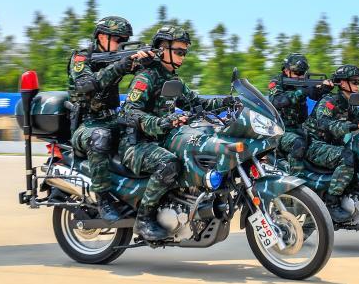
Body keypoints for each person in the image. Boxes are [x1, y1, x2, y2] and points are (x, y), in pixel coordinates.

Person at [120, 25, 235, 241]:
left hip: (161, 141)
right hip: (136, 144)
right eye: (179, 51)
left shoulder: (173, 81)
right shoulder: (146, 78)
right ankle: (144, 219)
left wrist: (228, 102)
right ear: (163, 49)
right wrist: (163, 122)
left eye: (185, 52)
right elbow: (130, 113)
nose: (183, 56)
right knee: (168, 163)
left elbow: (197, 103)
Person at [68, 15, 153, 222]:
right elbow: (86, 85)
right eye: (117, 40)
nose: (121, 44)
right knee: (100, 137)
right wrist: (120, 66)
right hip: (87, 124)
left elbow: (141, 72)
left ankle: (143, 194)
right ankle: (103, 198)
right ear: (101, 37)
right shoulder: (81, 58)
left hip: (113, 118)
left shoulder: (117, 57)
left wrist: (148, 62)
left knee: (148, 128)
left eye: (124, 41)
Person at [304, 64, 359, 222]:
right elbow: (324, 124)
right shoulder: (330, 101)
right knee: (346, 156)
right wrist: (353, 126)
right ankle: (332, 203)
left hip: (331, 146)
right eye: (354, 81)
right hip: (314, 145)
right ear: (343, 83)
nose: (358, 85)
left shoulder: (349, 104)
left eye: (358, 81)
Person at [267, 53, 331, 174]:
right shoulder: (276, 82)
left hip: (301, 128)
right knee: (298, 143)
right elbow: (278, 101)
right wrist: (302, 91)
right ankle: (296, 178)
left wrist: (323, 89)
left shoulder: (303, 82)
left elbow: (314, 95)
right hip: (280, 131)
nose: (301, 76)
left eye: (303, 73)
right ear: (286, 70)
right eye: (297, 73)